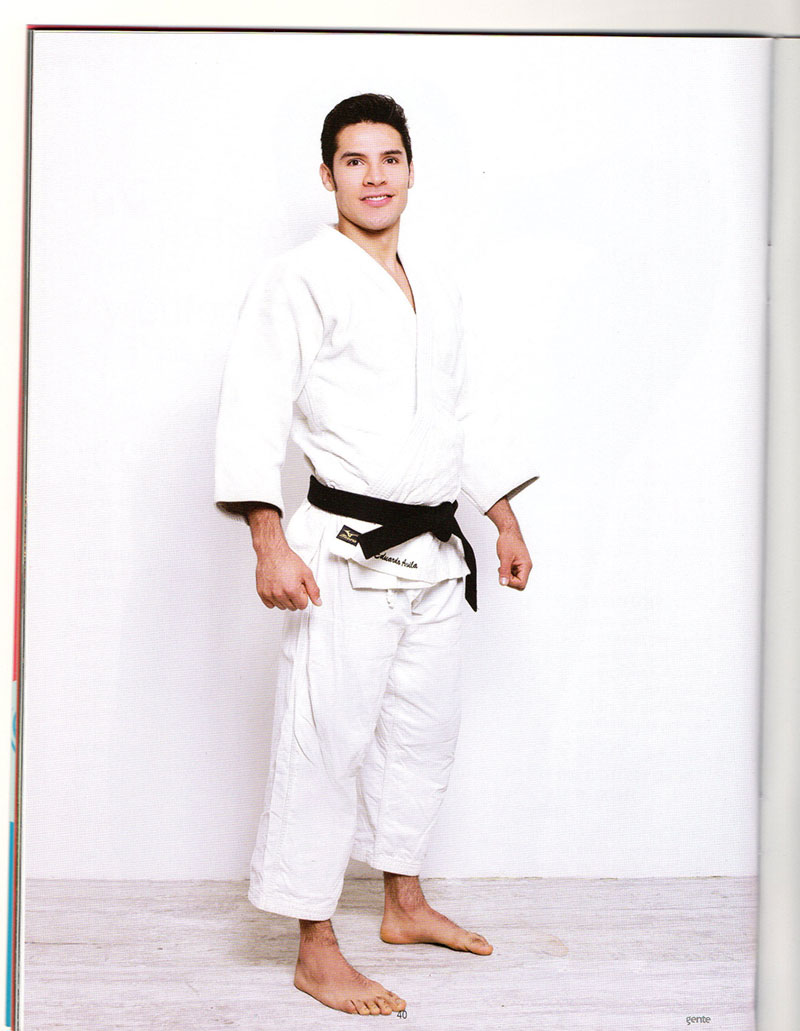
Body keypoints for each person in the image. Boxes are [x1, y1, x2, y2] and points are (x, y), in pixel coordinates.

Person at [215, 93, 536, 1016]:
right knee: (323, 743)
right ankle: (315, 946)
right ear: (328, 176)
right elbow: (253, 405)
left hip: (435, 550)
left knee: (422, 733)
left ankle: (403, 902)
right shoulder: (299, 277)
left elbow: (459, 413)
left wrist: (504, 518)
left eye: (389, 158)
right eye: (353, 161)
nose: (374, 176)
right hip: (345, 551)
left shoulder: (434, 283)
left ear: (410, 170)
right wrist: (267, 539)